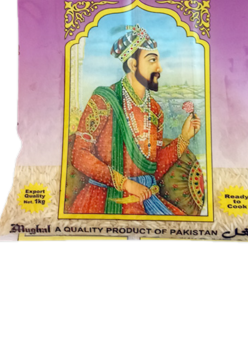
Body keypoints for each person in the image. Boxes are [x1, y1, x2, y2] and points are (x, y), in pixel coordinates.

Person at [66, 24, 202, 215]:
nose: (159, 68)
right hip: (108, 196)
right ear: (132, 64)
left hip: (147, 196)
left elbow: (152, 168)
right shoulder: (104, 100)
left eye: (158, 60)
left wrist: (184, 138)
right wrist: (125, 184)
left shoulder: (155, 110)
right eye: (152, 60)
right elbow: (80, 156)